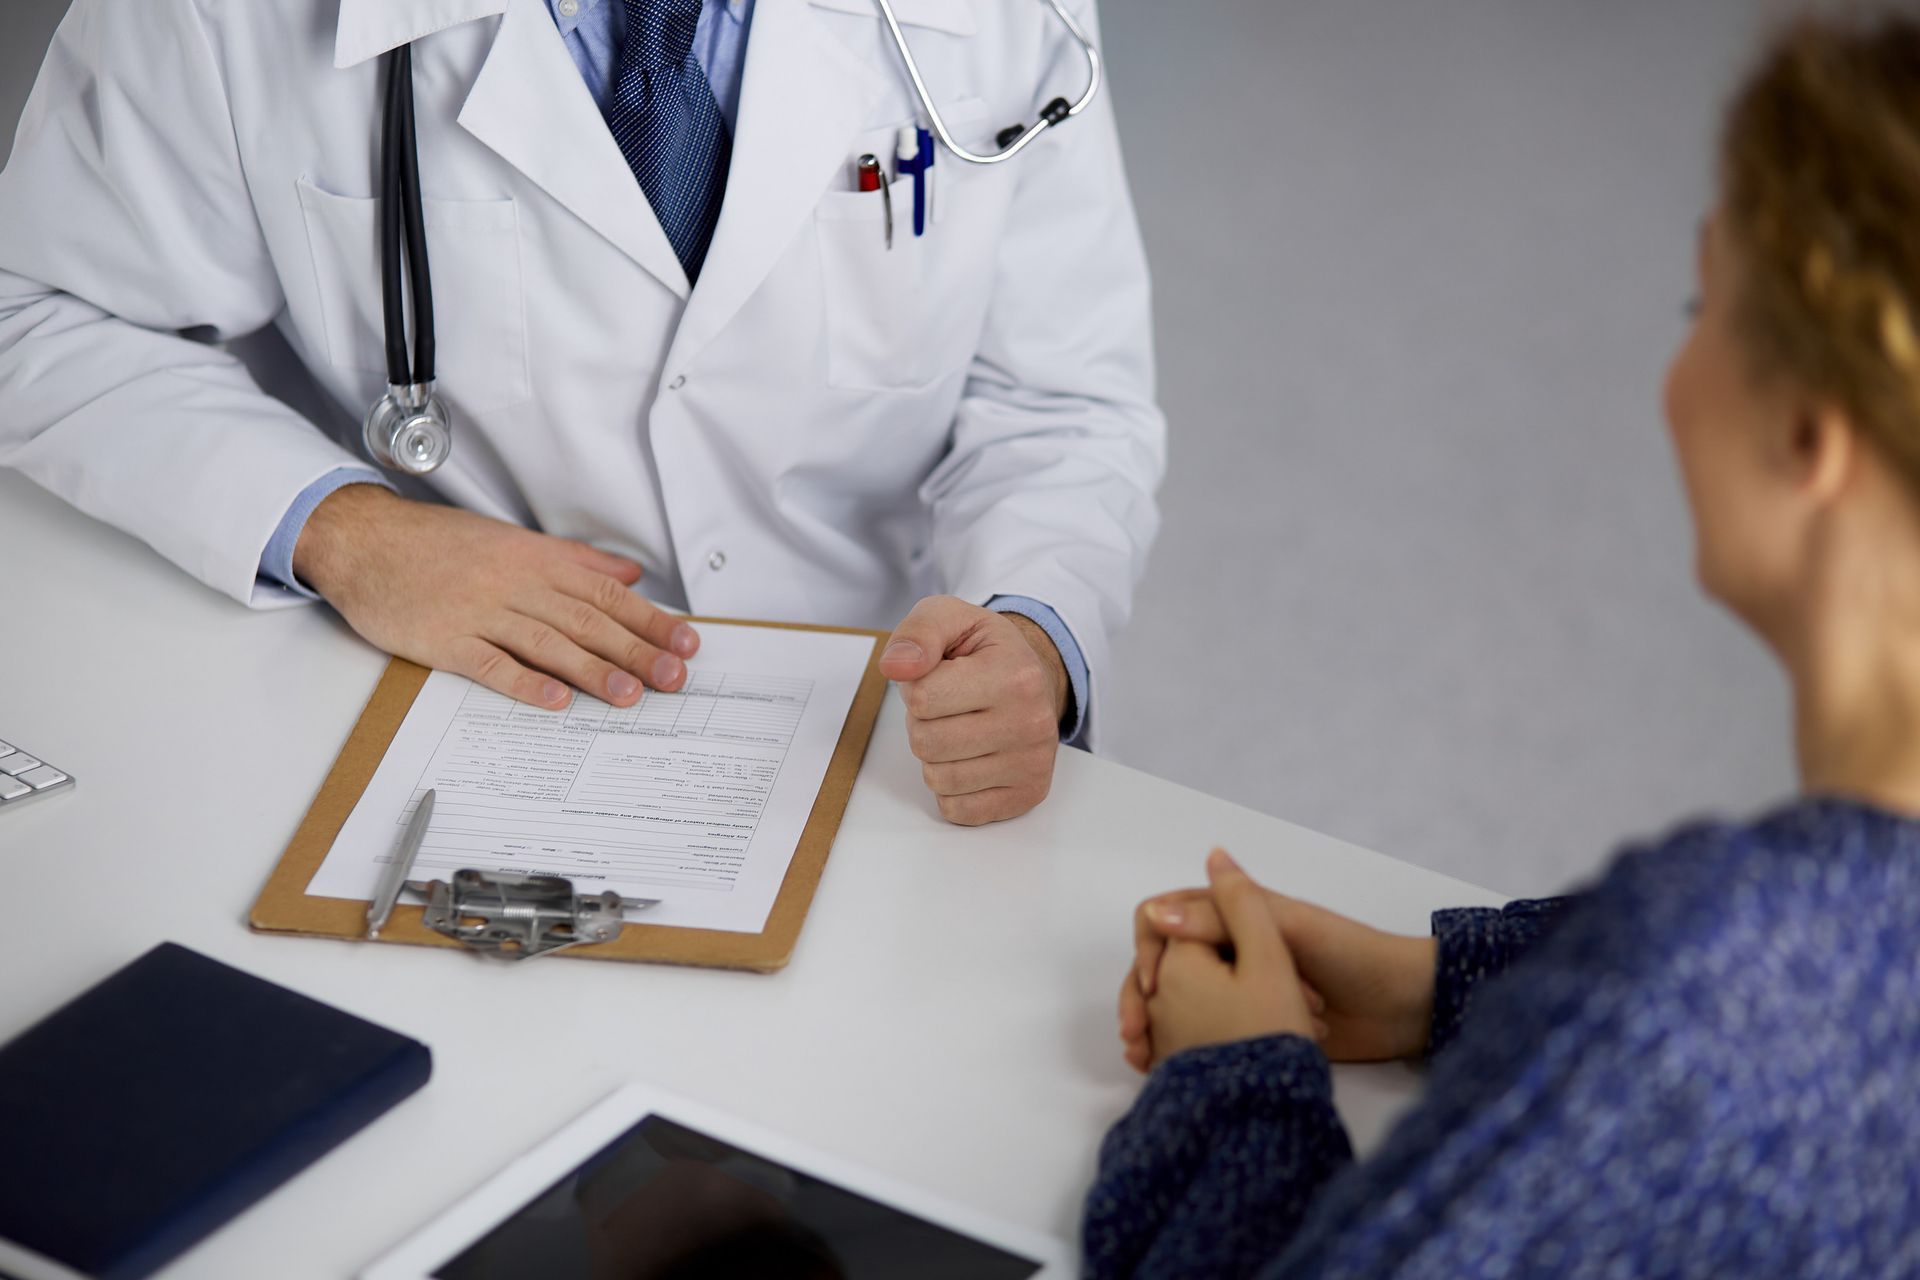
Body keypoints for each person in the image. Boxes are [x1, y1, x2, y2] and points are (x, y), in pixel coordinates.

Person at [1084, 13, 1920, 1276]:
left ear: (1812, 437)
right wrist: (1453, 981)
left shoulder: (1710, 983)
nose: (1674, 370)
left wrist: (1236, 1076)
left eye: (1705, 303)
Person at [0, 0, 1164, 826]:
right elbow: (36, 306)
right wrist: (347, 532)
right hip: (428, 692)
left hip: (871, 722)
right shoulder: (224, 18)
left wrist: (1033, 634)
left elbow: (1059, 398)